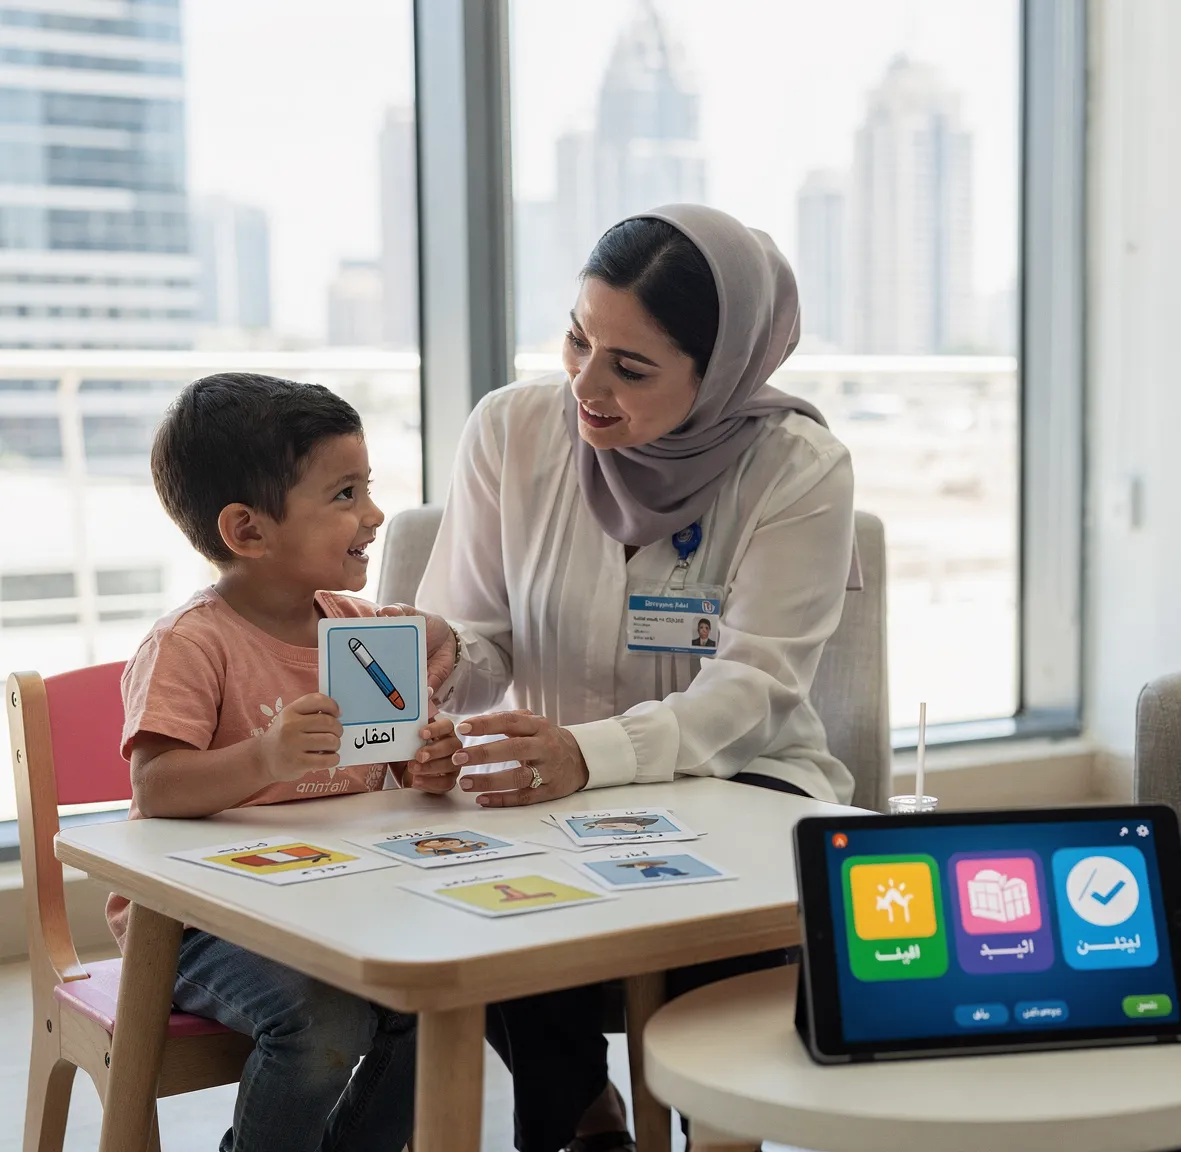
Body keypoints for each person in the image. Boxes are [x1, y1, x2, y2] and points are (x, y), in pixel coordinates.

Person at [409, 204, 859, 1152]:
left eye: (631, 367)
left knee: (704, 921)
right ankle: (582, 1120)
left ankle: (717, 1131)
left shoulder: (797, 468)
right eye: (578, 339)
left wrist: (588, 755)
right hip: (550, 787)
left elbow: (753, 690)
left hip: (744, 778)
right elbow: (483, 646)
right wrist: (446, 663)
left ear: (722, 369)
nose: (585, 384)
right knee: (485, 894)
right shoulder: (510, 429)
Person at [118, 373, 458, 1152]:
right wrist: (265, 756)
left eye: (366, 487)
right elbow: (156, 787)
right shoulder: (189, 644)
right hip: (194, 924)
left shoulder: (364, 629)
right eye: (344, 494)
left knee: (438, 996)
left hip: (337, 896)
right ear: (248, 530)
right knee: (322, 1022)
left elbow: (396, 752)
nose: (374, 515)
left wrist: (428, 761)